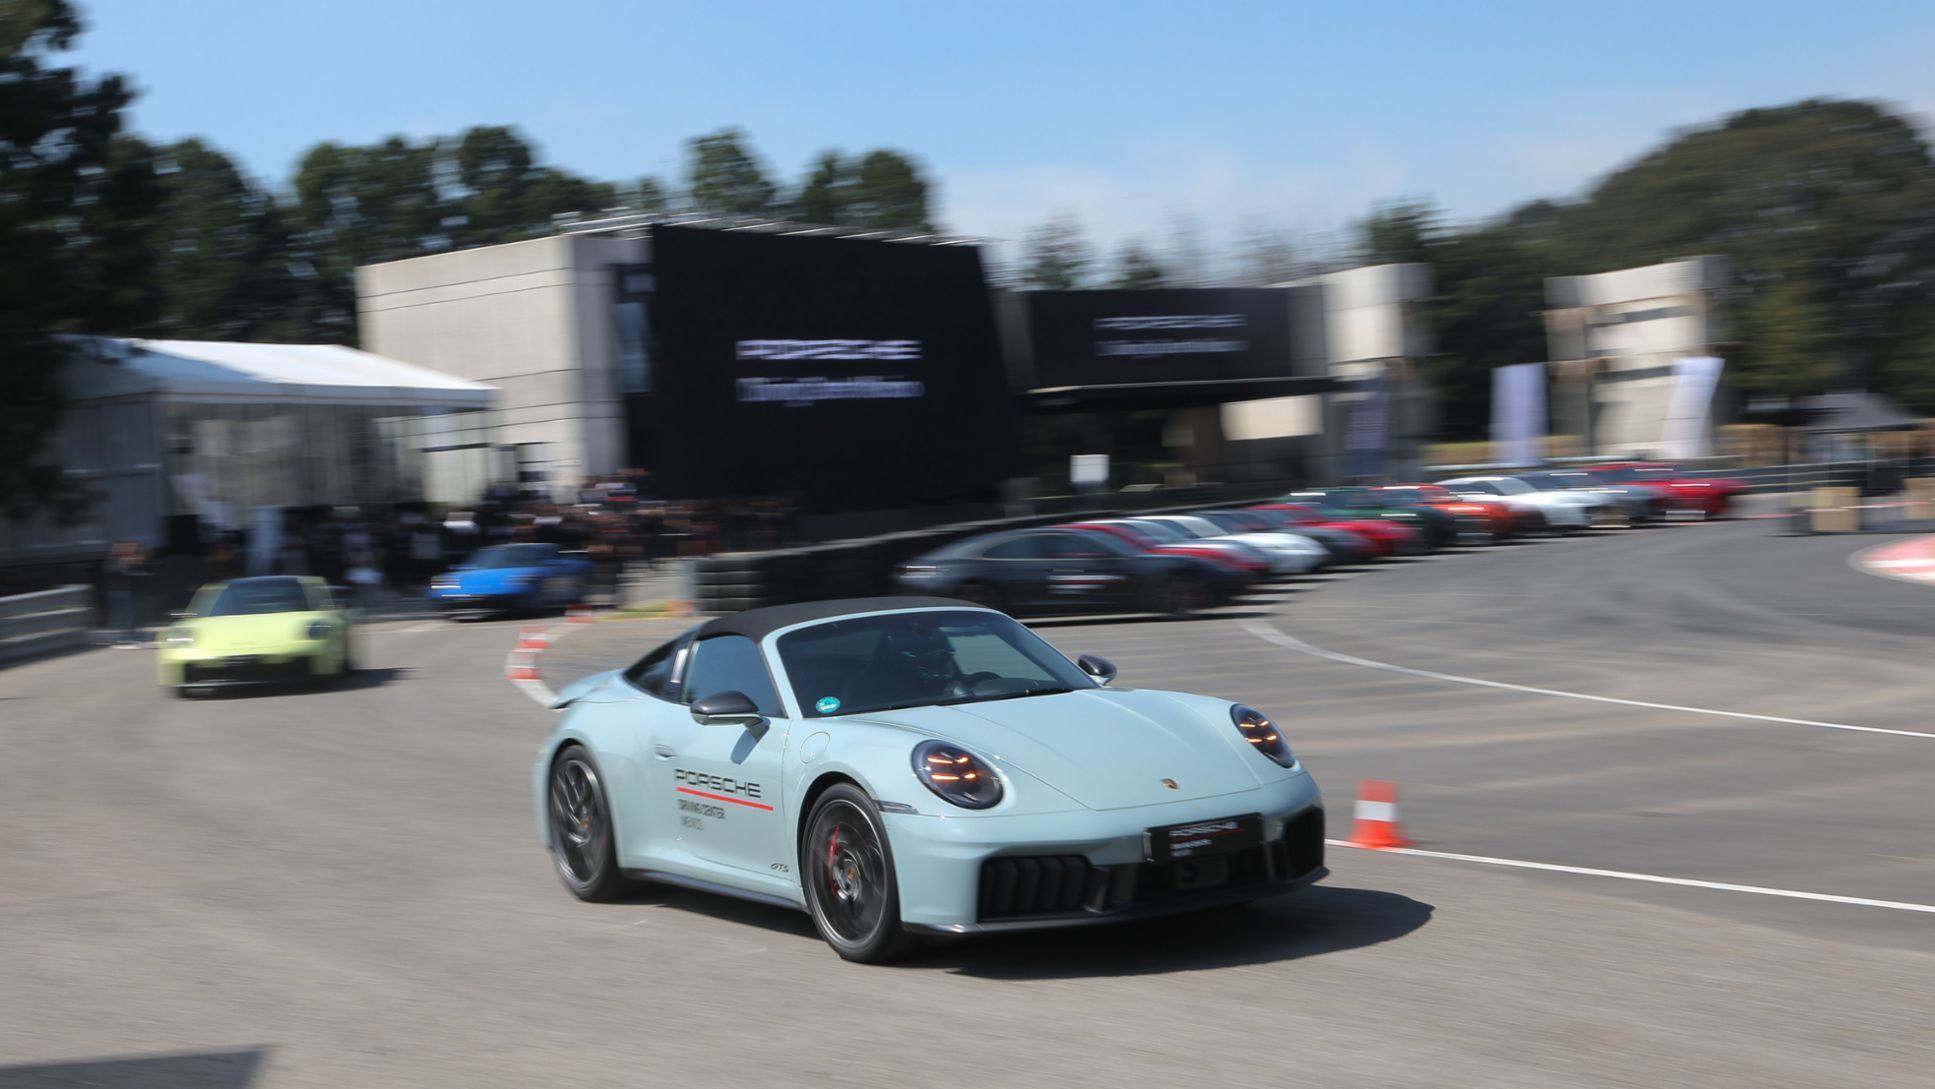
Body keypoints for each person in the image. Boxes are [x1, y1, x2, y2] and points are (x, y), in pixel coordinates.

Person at [103, 540, 149, 648]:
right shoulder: (112, 561)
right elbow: (114, 572)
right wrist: (126, 564)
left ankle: (129, 637)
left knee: (129, 616)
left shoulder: (128, 561)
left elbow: (134, 574)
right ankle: (119, 638)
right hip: (116, 592)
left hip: (127, 592)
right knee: (119, 617)